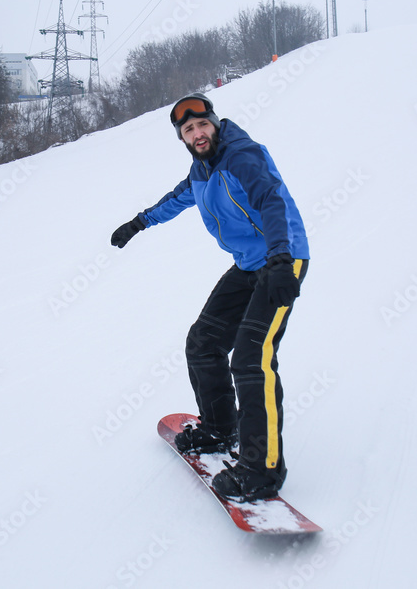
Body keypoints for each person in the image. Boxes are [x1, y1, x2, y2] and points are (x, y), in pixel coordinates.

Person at [110, 92, 310, 501]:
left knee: (253, 358)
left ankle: (262, 469)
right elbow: (177, 199)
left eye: (203, 124)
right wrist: (139, 222)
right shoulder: (200, 171)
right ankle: (220, 427)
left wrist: (280, 256)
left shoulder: (242, 156)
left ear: (215, 123)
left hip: (280, 260)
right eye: (189, 130)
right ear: (182, 138)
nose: (198, 134)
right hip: (250, 266)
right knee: (203, 343)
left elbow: (271, 201)